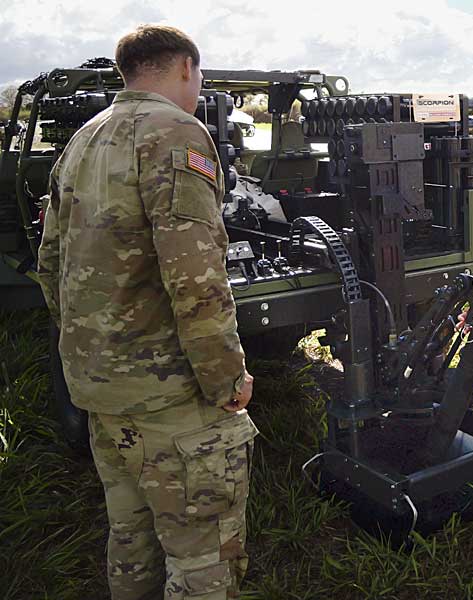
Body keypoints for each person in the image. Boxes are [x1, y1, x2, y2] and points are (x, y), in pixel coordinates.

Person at [37, 25, 256, 599]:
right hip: (169, 398)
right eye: (200, 76)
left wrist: (86, 353)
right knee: (203, 553)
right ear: (185, 67)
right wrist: (226, 379)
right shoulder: (174, 131)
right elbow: (196, 277)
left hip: (99, 386)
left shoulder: (84, 137)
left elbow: (51, 262)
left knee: (130, 537)